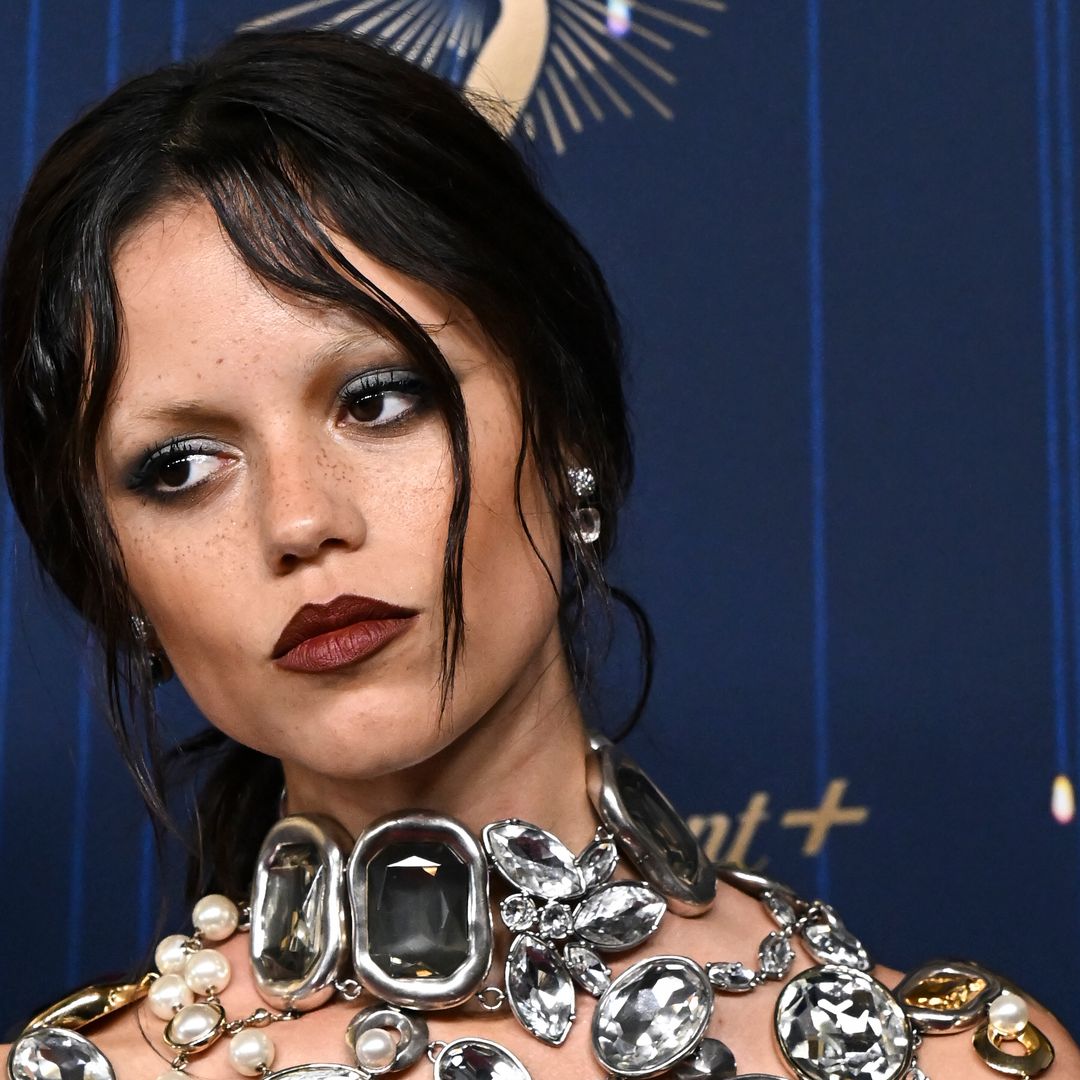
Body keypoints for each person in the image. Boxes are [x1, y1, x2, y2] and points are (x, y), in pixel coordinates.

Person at [0, 28, 1074, 1080]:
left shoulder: (963, 1063)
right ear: (113, 573)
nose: (299, 521)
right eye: (180, 466)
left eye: (379, 399)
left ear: (563, 429)